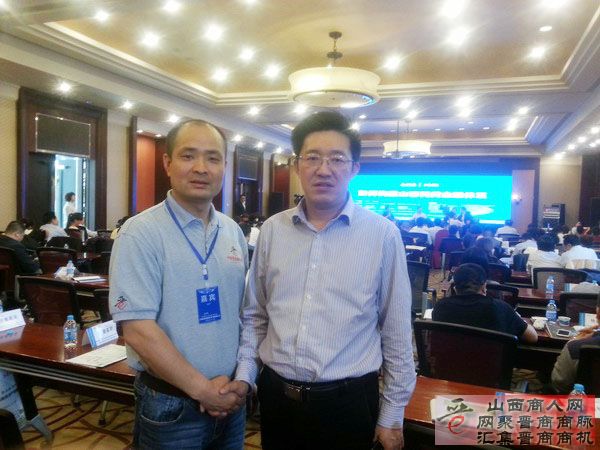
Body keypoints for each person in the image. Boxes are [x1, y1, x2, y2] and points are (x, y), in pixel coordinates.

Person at [232, 111, 416, 450]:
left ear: (354, 168)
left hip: (347, 404)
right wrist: (246, 375)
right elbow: (256, 314)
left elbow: (396, 330)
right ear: (297, 165)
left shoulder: (382, 235)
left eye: (336, 159)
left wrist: (392, 414)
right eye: (313, 157)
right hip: (277, 400)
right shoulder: (273, 230)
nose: (323, 169)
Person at [109, 119, 249, 449]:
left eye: (213, 158)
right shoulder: (140, 233)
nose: (201, 168)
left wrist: (239, 380)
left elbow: (242, 316)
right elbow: (138, 330)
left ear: (224, 167)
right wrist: (203, 390)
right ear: (168, 163)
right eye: (188, 156)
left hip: (229, 398)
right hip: (170, 405)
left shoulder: (232, 231)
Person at [433, 264, 537, 343]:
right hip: (491, 365)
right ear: (484, 287)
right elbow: (532, 337)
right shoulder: (501, 307)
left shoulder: (440, 307)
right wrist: (516, 317)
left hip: (449, 364)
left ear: (455, 288)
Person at [551, 294, 600, 393]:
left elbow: (559, 384)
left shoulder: (575, 348)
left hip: (586, 402)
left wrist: (573, 342)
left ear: (598, 313)